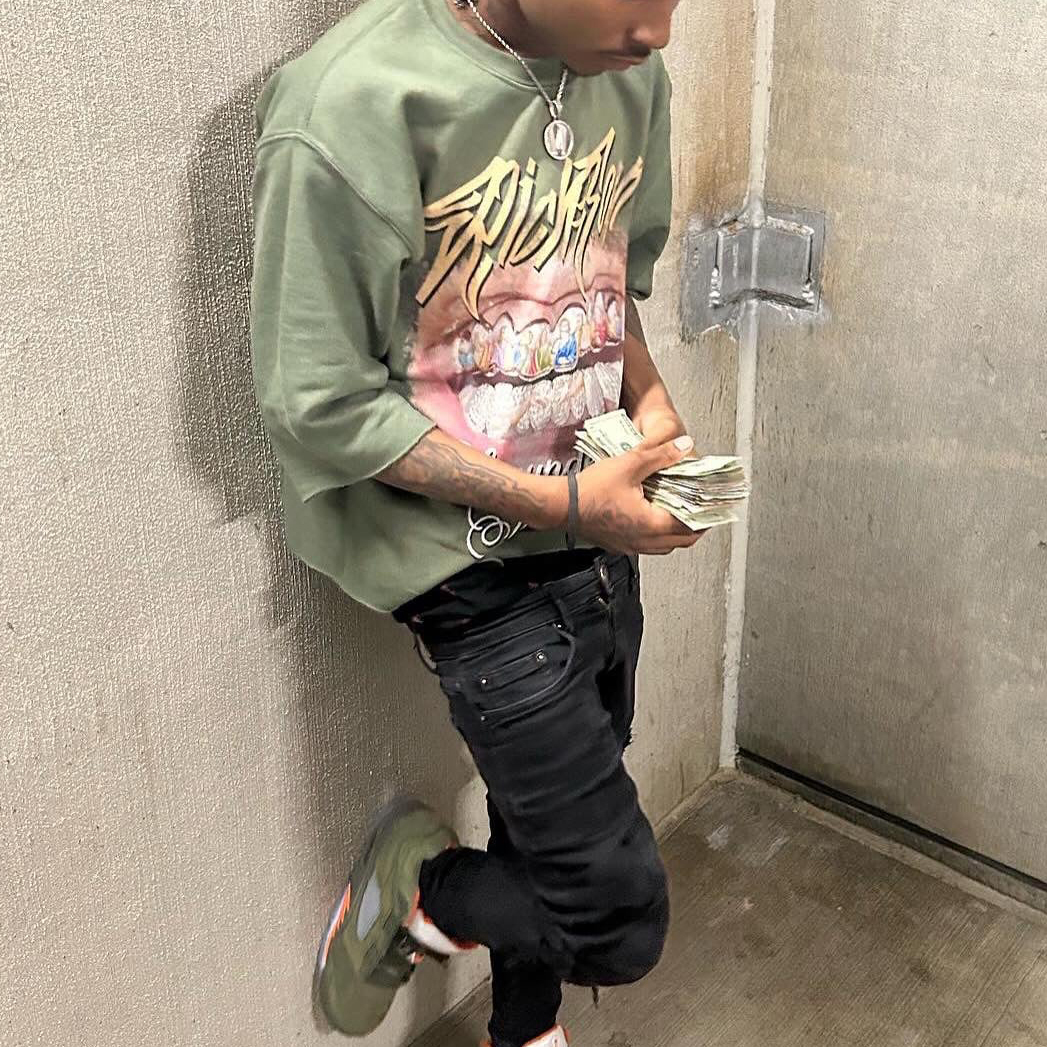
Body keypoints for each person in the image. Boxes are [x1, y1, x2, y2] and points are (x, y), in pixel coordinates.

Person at [248, 1, 700, 1045]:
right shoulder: (350, 106)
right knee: (614, 924)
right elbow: (319, 403)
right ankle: (424, 886)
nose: (659, 31)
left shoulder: (624, 73)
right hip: (465, 565)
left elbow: (609, 283)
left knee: (542, 827)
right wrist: (566, 502)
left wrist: (651, 404)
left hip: (594, 537)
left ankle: (523, 1028)